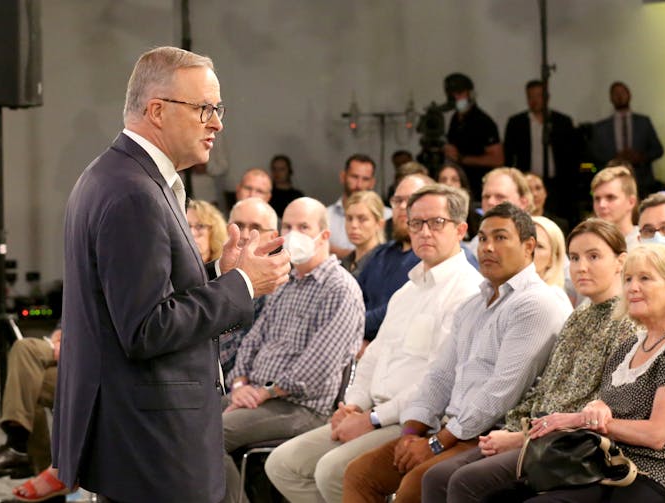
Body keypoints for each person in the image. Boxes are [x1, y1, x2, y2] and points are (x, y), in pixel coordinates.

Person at [55, 46, 291, 503]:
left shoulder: (117, 175)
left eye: (218, 109)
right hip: (154, 442)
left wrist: (220, 272)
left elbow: (139, 291)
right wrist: (242, 286)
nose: (217, 123)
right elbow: (146, 327)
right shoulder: (134, 193)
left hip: (139, 435)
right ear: (157, 110)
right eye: (204, 108)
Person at [264, 183, 483, 503]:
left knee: (332, 471)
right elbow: (374, 356)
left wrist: (373, 418)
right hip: (372, 411)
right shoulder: (407, 291)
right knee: (283, 464)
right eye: (416, 223)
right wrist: (354, 405)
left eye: (436, 223)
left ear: (460, 229)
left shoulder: (467, 291)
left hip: (414, 421)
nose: (424, 231)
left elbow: (437, 380)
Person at [342, 202, 571, 503]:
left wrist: (436, 444)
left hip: (489, 436)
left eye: (501, 238)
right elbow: (439, 376)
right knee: (359, 474)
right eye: (484, 238)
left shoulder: (536, 303)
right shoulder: (473, 305)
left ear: (529, 247)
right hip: (445, 429)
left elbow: (499, 393)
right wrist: (411, 432)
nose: (488, 247)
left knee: (415, 485)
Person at [420, 218, 636, 503]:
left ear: (620, 261)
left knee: (465, 482)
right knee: (435, 477)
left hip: (571, 444)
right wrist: (514, 428)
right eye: (574, 257)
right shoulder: (579, 316)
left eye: (593, 256)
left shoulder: (627, 323)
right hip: (535, 432)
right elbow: (544, 387)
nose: (581, 267)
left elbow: (601, 408)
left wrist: (523, 438)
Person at [485, 244, 665, 503]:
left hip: (657, 474)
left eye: (645, 278)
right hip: (604, 462)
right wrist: (596, 406)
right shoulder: (629, 345)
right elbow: (605, 403)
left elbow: (657, 435)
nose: (632, 287)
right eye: (628, 279)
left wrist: (579, 419)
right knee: (499, 498)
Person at [222, 197, 365, 503]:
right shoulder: (285, 282)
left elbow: (318, 367)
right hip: (256, 395)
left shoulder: (340, 289)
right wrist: (239, 384)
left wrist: (264, 393)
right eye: (287, 226)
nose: (293, 233)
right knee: (186, 420)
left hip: (303, 407)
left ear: (324, 235)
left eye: (303, 226)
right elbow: (252, 341)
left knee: (211, 434)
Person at [0, 325, 62, 481]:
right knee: (28, 382)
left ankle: (19, 448)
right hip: (71, 346)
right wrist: (61, 332)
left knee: (26, 350)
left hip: (98, 362)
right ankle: (42, 479)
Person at [355, 174, 433, 345]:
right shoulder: (379, 254)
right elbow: (351, 299)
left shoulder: (431, 258)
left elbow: (397, 310)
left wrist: (354, 326)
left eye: (411, 200)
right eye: (398, 201)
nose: (403, 206)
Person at [219, 197, 279, 380]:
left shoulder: (277, 289)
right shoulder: (209, 274)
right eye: (238, 225)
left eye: (255, 228)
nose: (245, 235)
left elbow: (237, 354)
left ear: (273, 237)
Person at [504, 80, 578, 223]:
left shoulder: (562, 122)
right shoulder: (516, 123)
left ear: (547, 97)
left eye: (538, 96)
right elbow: (508, 156)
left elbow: (572, 155)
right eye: (530, 97)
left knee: (557, 220)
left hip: (557, 183)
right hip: (527, 181)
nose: (534, 100)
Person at [589, 81, 664, 198]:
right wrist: (615, 159)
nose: (619, 96)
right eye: (615, 93)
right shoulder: (600, 128)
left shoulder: (644, 122)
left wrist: (640, 157)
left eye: (622, 92)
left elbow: (658, 150)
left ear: (629, 94)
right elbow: (593, 155)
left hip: (643, 182)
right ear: (611, 98)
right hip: (612, 183)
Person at [442, 73, 504, 196]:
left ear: (469, 93)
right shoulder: (455, 119)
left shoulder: (483, 121)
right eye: (452, 95)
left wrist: (463, 159)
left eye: (460, 93)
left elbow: (498, 159)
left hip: (477, 186)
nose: (456, 98)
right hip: (458, 186)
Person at [327, 153, 391, 258]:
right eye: (354, 177)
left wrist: (338, 252)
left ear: (380, 223)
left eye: (365, 179)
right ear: (343, 177)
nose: (359, 185)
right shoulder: (325, 216)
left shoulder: (389, 216)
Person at [465, 167, 533, 255]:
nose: (490, 202)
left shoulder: (541, 241)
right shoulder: (474, 246)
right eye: (486, 196)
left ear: (523, 202)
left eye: (500, 197)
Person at [592, 165, 639, 250]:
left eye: (610, 197)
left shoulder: (645, 243)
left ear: (631, 202)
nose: (602, 205)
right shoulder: (587, 243)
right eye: (597, 199)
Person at [341, 190, 386, 277]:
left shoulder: (385, 263)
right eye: (349, 218)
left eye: (362, 219)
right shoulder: (343, 264)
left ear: (379, 224)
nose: (354, 225)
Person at [532, 216, 571, 307]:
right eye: (524, 243)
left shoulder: (550, 299)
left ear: (553, 258)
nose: (529, 250)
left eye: (539, 246)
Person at [436, 162, 481, 239]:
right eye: (443, 180)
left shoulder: (478, 220)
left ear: (462, 185)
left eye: (454, 180)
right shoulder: (431, 218)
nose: (448, 183)